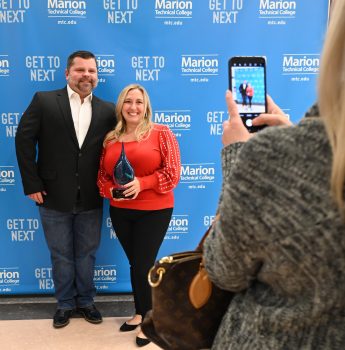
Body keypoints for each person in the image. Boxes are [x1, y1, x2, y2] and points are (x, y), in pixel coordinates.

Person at [203, 0, 345, 347]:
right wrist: (298, 136)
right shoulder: (291, 154)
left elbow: (223, 270)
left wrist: (241, 156)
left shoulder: (268, 157)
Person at [15, 50, 116, 329]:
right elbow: (24, 140)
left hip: (92, 196)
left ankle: (86, 301)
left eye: (91, 71)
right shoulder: (44, 100)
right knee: (60, 254)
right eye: (80, 70)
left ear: (97, 76)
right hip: (51, 194)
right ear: (67, 74)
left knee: (87, 253)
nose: (86, 75)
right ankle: (64, 304)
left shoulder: (108, 110)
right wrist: (32, 183)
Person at [97, 84, 181, 347]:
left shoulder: (161, 133)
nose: (133, 107)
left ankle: (150, 321)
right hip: (121, 212)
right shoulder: (111, 138)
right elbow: (102, 177)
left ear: (146, 107)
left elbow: (173, 172)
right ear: (121, 106)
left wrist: (141, 184)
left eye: (139, 102)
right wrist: (111, 190)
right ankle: (139, 311)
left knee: (144, 263)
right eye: (128, 102)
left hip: (154, 210)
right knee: (137, 264)